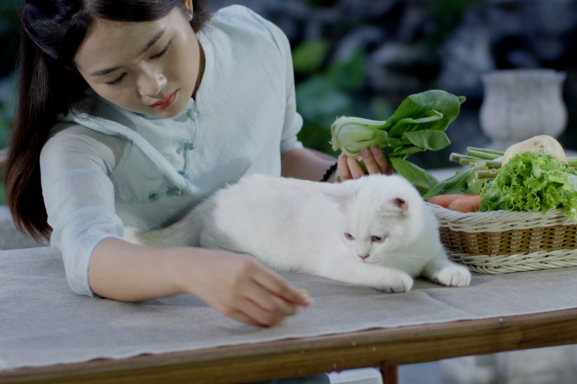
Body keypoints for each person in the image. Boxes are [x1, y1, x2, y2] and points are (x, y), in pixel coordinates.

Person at [8, 0, 392, 332]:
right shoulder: (80, 142)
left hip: (278, 310)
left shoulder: (256, 43)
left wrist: (342, 180)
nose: (153, 86)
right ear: (76, 71)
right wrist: (189, 269)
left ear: (186, 4)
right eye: (116, 77)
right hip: (158, 333)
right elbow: (87, 254)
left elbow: (282, 153)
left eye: (159, 50)